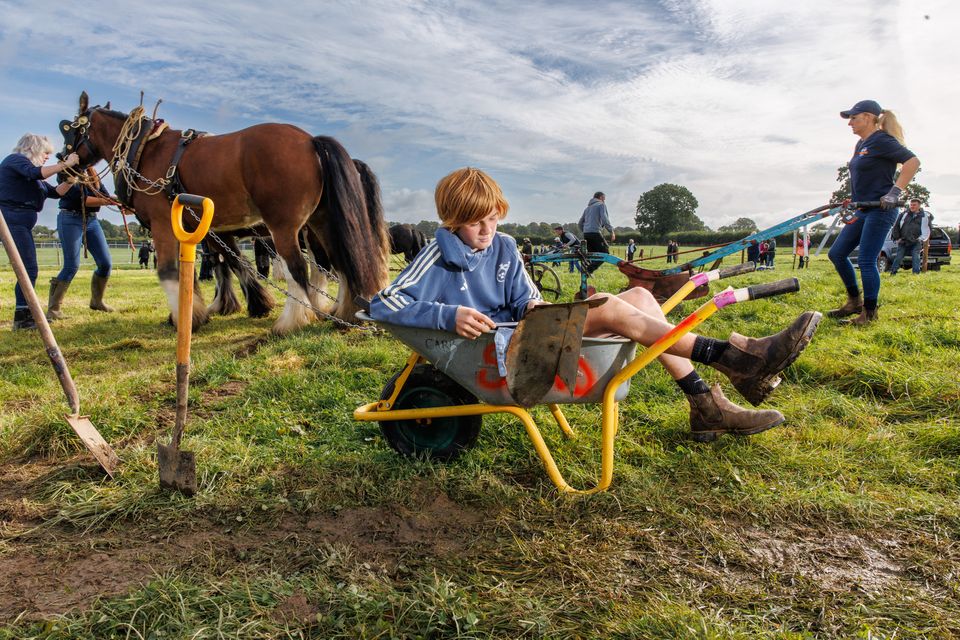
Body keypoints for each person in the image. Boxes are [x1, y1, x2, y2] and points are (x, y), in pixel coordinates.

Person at [371, 167, 822, 442]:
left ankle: (705, 403)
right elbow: (382, 302)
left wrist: (532, 305)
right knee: (606, 306)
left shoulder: (505, 246)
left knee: (641, 296)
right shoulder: (436, 253)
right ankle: (733, 357)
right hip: (501, 358)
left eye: (493, 218)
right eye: (474, 223)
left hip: (530, 337)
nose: (486, 231)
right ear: (452, 220)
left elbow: (525, 297)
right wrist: (448, 315)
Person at [827, 100, 919, 325]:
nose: (850, 123)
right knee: (837, 253)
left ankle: (869, 313)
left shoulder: (881, 140)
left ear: (868, 117)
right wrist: (853, 199)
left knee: (867, 260)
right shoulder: (861, 144)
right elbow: (863, 175)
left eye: (854, 118)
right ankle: (854, 301)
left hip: (881, 210)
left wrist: (895, 192)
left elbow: (913, 162)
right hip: (863, 208)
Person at [0, 134, 78, 330]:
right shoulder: (17, 161)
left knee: (27, 269)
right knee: (28, 269)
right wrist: (63, 165)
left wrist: (70, 180)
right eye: (45, 153)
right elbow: (38, 173)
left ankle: (25, 315)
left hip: (19, 223)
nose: (47, 157)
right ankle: (23, 318)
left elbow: (55, 192)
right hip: (12, 221)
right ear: (32, 148)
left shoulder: (29, 174)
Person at [46, 167, 117, 320]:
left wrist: (115, 200)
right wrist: (114, 201)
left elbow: (102, 193)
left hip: (92, 220)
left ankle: (97, 302)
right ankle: (53, 310)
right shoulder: (66, 171)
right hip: (70, 219)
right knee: (71, 266)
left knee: (105, 264)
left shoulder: (93, 173)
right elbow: (83, 200)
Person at [889, 198, 931, 275]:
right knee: (898, 257)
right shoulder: (903, 214)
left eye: (914, 205)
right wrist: (897, 238)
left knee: (916, 258)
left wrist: (921, 239)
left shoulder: (924, 216)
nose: (912, 206)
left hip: (916, 241)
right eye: (911, 205)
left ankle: (915, 274)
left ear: (919, 206)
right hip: (903, 240)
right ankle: (893, 272)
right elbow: (896, 226)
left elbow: (927, 229)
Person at [578, 191, 615, 273]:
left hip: (586, 234)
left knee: (593, 254)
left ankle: (587, 270)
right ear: (601, 197)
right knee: (605, 253)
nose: (604, 201)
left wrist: (585, 230)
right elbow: (605, 219)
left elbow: (580, 223)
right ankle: (588, 270)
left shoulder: (587, 208)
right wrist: (611, 231)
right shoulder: (601, 205)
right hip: (595, 233)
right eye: (604, 199)